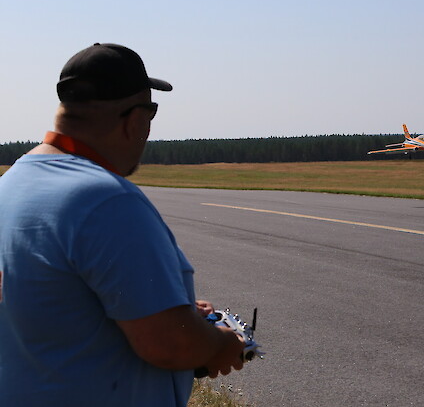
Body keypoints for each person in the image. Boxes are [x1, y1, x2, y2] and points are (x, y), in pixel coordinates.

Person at [0, 43, 245, 407]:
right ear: (133, 121)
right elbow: (170, 345)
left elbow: (51, 306)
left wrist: (170, 307)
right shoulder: (106, 200)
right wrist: (223, 344)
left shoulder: (11, 185)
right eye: (151, 113)